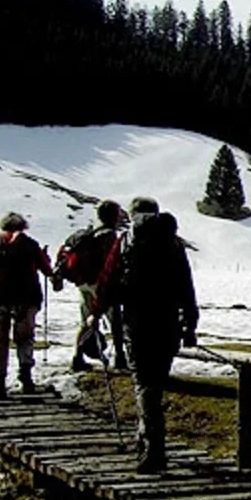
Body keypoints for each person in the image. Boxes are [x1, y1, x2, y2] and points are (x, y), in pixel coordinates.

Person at [90, 197, 198, 474]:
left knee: (143, 383)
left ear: (134, 213)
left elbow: (108, 279)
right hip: (168, 322)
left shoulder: (126, 241)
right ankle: (147, 440)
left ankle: (152, 448)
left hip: (136, 321)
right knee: (156, 383)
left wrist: (96, 310)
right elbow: (186, 284)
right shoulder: (173, 243)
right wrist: (190, 324)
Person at [0, 212, 53, 398]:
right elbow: (48, 270)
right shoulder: (31, 245)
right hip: (27, 300)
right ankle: (26, 377)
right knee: (25, 339)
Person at [52, 199, 126, 372]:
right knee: (115, 320)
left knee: (86, 321)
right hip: (100, 283)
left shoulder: (89, 234)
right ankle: (120, 358)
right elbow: (111, 263)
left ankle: (77, 356)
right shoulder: (109, 235)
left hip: (82, 282)